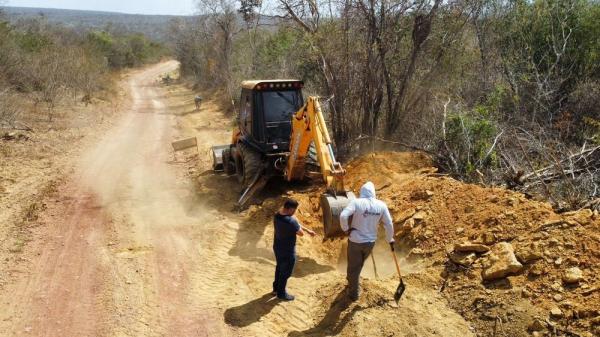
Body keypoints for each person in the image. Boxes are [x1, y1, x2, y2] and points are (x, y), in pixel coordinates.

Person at [340, 181, 394, 301]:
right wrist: (390, 238)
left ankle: (353, 294)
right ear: (374, 192)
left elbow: (343, 216)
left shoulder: (356, 202)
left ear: (362, 191)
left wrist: (345, 229)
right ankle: (353, 281)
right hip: (370, 243)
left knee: (353, 267)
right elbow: (389, 223)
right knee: (359, 265)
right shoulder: (381, 205)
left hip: (355, 241)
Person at [273, 198, 316, 301]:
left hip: (277, 247)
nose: (295, 212)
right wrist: (303, 230)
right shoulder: (291, 221)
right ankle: (281, 294)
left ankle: (275, 288)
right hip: (288, 250)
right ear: (291, 209)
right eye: (295, 210)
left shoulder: (277, 215)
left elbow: (295, 224)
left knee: (279, 267)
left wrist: (308, 230)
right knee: (286, 272)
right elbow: (300, 233)